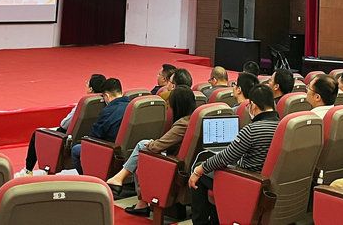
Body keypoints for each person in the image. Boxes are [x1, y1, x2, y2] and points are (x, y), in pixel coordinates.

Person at [189, 85, 280, 225]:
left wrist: (199, 170)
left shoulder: (251, 130)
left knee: (201, 173)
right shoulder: (282, 127)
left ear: (253, 106)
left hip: (246, 182)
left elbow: (224, 157)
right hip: (267, 184)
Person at [115, 86, 198, 216]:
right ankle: (123, 182)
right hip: (187, 164)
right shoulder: (196, 119)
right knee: (143, 150)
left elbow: (156, 147)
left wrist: (151, 143)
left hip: (174, 165)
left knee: (143, 147)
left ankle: (124, 184)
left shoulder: (183, 124)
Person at [18, 73, 106, 177]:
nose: (85, 84)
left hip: (66, 138)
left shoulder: (84, 104)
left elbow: (64, 124)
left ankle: (28, 171)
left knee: (37, 134)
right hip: (88, 137)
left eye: (87, 83)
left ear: (91, 89)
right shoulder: (106, 103)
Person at [71, 78, 130, 174]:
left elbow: (95, 136)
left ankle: (89, 178)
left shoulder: (108, 111)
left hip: (110, 150)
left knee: (76, 149)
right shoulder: (132, 106)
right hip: (127, 150)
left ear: (106, 95)